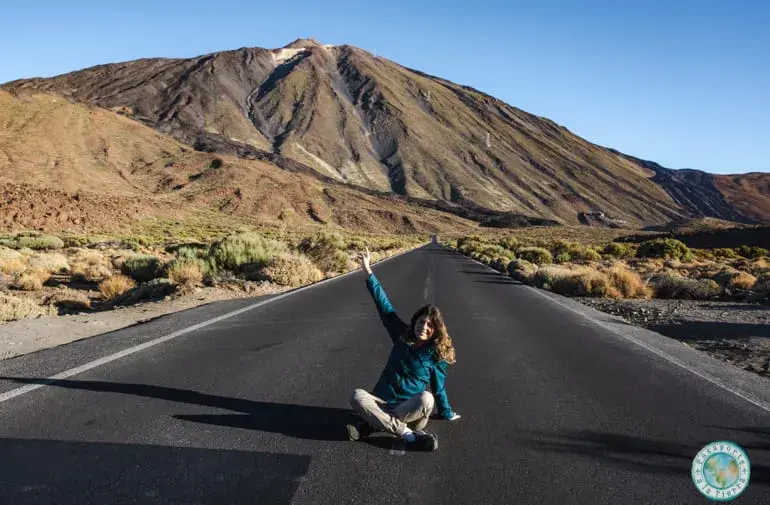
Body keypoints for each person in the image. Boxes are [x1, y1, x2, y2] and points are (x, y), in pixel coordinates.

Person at [346, 247, 461, 451]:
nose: (423, 327)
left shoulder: (436, 355)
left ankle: (373, 424)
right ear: (414, 321)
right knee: (357, 396)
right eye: (421, 321)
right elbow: (384, 307)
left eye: (429, 325)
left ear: (435, 330)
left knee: (427, 398)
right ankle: (407, 435)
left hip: (411, 410)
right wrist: (368, 271)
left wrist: (447, 412)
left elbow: (439, 388)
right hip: (382, 401)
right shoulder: (401, 335)